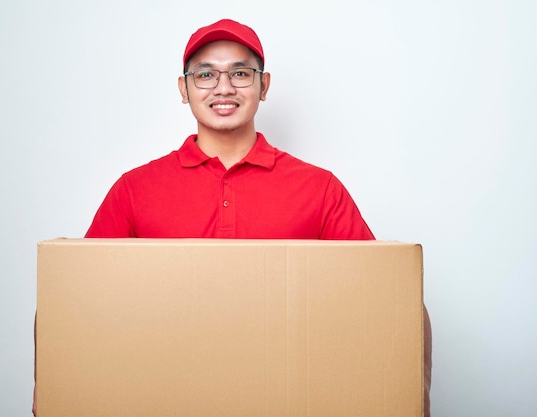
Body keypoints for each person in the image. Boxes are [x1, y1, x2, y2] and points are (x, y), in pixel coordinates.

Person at [34, 18, 431, 416]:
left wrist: (414, 395)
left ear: (265, 85)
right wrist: (51, 387)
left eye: (240, 73)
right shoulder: (136, 189)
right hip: (164, 400)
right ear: (183, 89)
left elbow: (390, 297)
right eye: (205, 74)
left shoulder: (319, 188)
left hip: (287, 402)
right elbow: (75, 297)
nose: (224, 88)